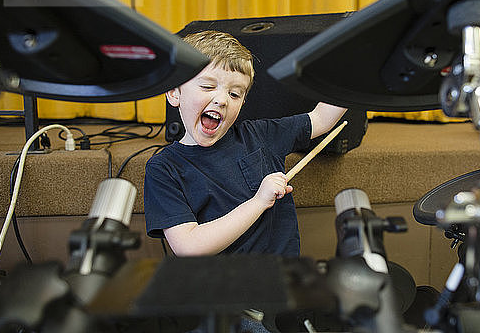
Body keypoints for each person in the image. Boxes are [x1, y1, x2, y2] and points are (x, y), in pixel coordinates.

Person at [144, 30, 347, 258]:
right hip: (224, 287)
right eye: (208, 87)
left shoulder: (261, 135)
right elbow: (188, 247)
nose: (222, 100)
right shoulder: (163, 168)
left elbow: (322, 119)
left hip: (282, 278)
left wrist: (355, 72)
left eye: (234, 94)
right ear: (173, 93)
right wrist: (259, 202)